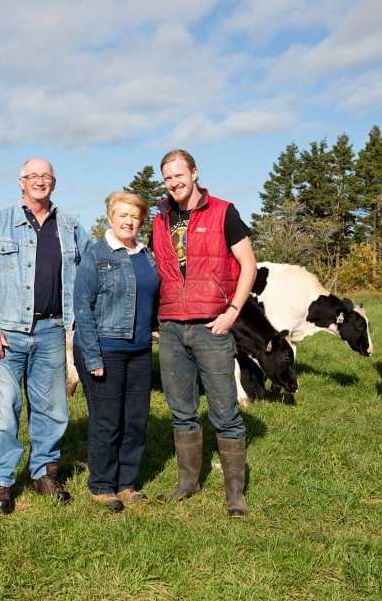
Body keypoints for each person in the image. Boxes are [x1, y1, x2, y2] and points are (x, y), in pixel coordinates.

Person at [0, 158, 91, 515]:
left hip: (53, 330)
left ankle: (44, 473)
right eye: (33, 176)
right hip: (7, 332)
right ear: (21, 182)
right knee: (4, 410)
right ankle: (1, 481)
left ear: (54, 182)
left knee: (52, 409)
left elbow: (92, 268)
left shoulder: (70, 227)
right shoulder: (1, 223)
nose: (40, 181)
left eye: (46, 176)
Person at [150, 149, 257, 517]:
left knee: (225, 410)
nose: (175, 183)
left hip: (212, 325)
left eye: (180, 175)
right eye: (168, 178)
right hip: (172, 328)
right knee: (181, 410)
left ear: (195, 173)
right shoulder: (159, 218)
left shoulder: (224, 212)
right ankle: (187, 482)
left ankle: (234, 493)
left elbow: (249, 265)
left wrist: (233, 310)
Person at [73, 192, 159, 512]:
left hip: (139, 350)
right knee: (107, 420)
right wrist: (93, 357)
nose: (128, 221)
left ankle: (126, 482)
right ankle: (101, 484)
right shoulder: (96, 256)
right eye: (122, 215)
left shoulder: (147, 255)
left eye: (135, 216)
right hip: (105, 349)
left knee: (135, 419)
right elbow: (82, 307)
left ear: (141, 221)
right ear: (110, 217)